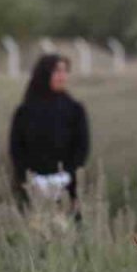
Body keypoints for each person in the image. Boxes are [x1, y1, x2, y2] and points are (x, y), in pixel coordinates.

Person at [9, 54, 90, 219]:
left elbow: (82, 147)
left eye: (65, 71)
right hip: (33, 188)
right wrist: (32, 180)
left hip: (67, 187)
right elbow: (17, 148)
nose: (62, 76)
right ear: (45, 74)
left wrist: (66, 176)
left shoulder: (74, 110)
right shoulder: (25, 111)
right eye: (57, 71)